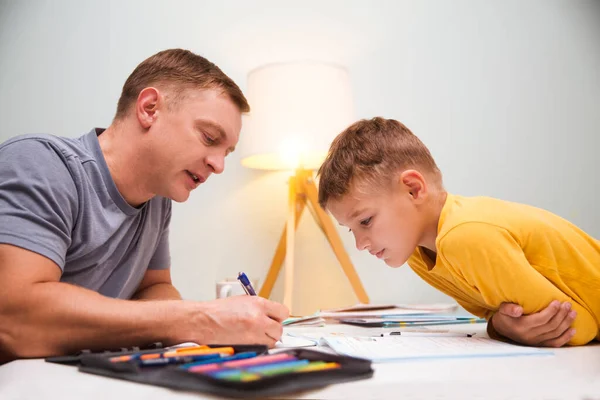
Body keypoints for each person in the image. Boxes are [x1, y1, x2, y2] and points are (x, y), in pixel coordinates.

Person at [0, 49, 289, 363]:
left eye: (226, 152)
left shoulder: (157, 199)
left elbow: (154, 287)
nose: (218, 165)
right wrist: (199, 319)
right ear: (150, 108)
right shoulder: (39, 163)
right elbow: (15, 318)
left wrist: (197, 326)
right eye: (208, 137)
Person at [317, 117, 599, 347]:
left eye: (365, 221)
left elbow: (579, 326)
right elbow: (495, 312)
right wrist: (499, 325)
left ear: (414, 189)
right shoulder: (420, 254)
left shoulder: (464, 237)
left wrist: (506, 328)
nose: (359, 244)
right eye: (350, 230)